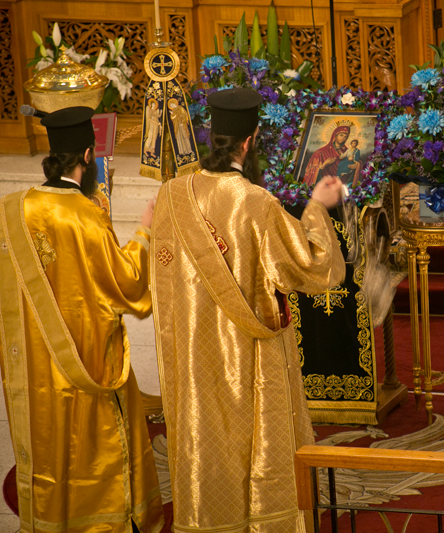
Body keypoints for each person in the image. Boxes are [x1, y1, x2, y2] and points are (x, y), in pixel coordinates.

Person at [150, 87, 345, 533]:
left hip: (194, 355)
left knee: (207, 438)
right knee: (257, 441)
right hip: (252, 358)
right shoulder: (257, 204)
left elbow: (161, 276)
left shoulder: (172, 196)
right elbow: (314, 267)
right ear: (250, 140)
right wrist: (318, 206)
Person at [0, 106, 164, 533]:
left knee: (53, 443)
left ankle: (53, 517)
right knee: (93, 441)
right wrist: (145, 229)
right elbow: (127, 285)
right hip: (88, 360)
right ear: (88, 156)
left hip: (38, 364)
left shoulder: (12, 208)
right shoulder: (86, 217)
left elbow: (0, 293)